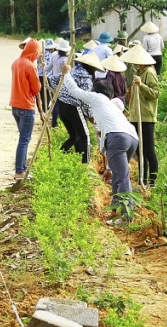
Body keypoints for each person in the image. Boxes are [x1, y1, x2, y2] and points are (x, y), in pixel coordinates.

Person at [60, 65, 138, 223]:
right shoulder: (111, 105)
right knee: (118, 176)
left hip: (118, 138)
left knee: (122, 178)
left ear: (95, 91)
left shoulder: (96, 98)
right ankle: (116, 211)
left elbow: (75, 91)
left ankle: (126, 216)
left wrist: (66, 74)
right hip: (132, 138)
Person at [120, 43, 159, 187]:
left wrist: (142, 85)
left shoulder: (149, 72)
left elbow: (156, 93)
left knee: (148, 150)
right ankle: (142, 179)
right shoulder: (140, 72)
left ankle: (152, 182)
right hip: (136, 116)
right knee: (139, 150)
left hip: (146, 117)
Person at [51, 52, 100, 163]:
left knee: (74, 136)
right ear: (91, 67)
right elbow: (86, 100)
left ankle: (59, 156)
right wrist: (91, 115)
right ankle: (85, 164)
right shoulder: (86, 78)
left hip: (62, 106)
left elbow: (53, 79)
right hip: (74, 107)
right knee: (85, 135)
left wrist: (62, 93)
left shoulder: (71, 71)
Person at [11, 38, 42, 179]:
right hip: (26, 107)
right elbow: (37, 88)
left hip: (15, 106)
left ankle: (22, 168)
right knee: (24, 140)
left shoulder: (16, 63)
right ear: (35, 52)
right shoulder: (30, 66)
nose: (39, 55)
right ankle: (19, 171)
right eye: (38, 53)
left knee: (23, 139)